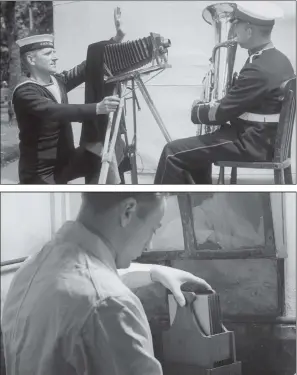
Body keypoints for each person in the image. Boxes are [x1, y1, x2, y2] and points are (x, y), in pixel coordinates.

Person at [1, 192, 213, 375]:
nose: (148, 245)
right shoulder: (111, 306)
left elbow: (83, 284)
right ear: (128, 211)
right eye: (153, 229)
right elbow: (98, 296)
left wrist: (154, 272)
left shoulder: (30, 269)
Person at [154, 1, 295, 184]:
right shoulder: (279, 60)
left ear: (249, 30)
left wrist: (197, 110)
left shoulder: (259, 69)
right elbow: (243, 102)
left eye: (237, 24)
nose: (234, 28)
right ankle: (202, 205)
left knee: (172, 153)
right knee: (194, 149)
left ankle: (158, 206)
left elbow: (221, 113)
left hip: (249, 143)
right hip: (262, 140)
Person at [12, 8, 124, 184]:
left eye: (54, 52)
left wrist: (115, 40)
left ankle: (99, 199)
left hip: (66, 161)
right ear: (31, 60)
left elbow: (88, 66)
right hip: (40, 173)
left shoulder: (58, 80)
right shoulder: (25, 92)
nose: (55, 58)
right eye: (49, 54)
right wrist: (97, 108)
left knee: (101, 157)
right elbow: (55, 111)